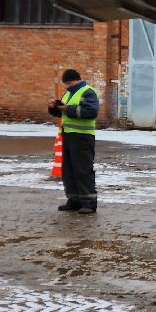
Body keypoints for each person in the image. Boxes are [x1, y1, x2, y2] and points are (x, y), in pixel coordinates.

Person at [49, 68, 98, 214]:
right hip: (69, 135)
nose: (67, 86)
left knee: (83, 170)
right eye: (66, 84)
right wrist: (54, 108)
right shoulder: (69, 93)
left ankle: (89, 202)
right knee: (69, 170)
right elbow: (63, 112)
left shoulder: (88, 92)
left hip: (83, 137)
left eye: (69, 83)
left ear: (76, 80)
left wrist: (67, 108)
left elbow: (91, 112)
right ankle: (74, 200)